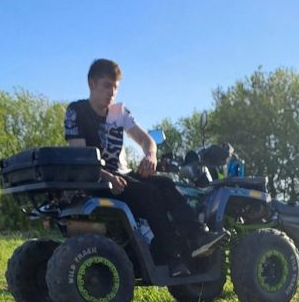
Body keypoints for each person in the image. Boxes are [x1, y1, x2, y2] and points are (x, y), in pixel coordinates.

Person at [65, 58, 227, 276]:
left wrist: (150, 155)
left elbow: (146, 139)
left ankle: (198, 236)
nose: (111, 93)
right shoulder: (77, 112)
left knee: (166, 184)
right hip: (96, 179)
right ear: (92, 84)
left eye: (115, 88)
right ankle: (173, 259)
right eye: (106, 86)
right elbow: (80, 157)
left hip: (122, 175)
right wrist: (107, 177)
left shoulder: (118, 112)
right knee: (149, 194)